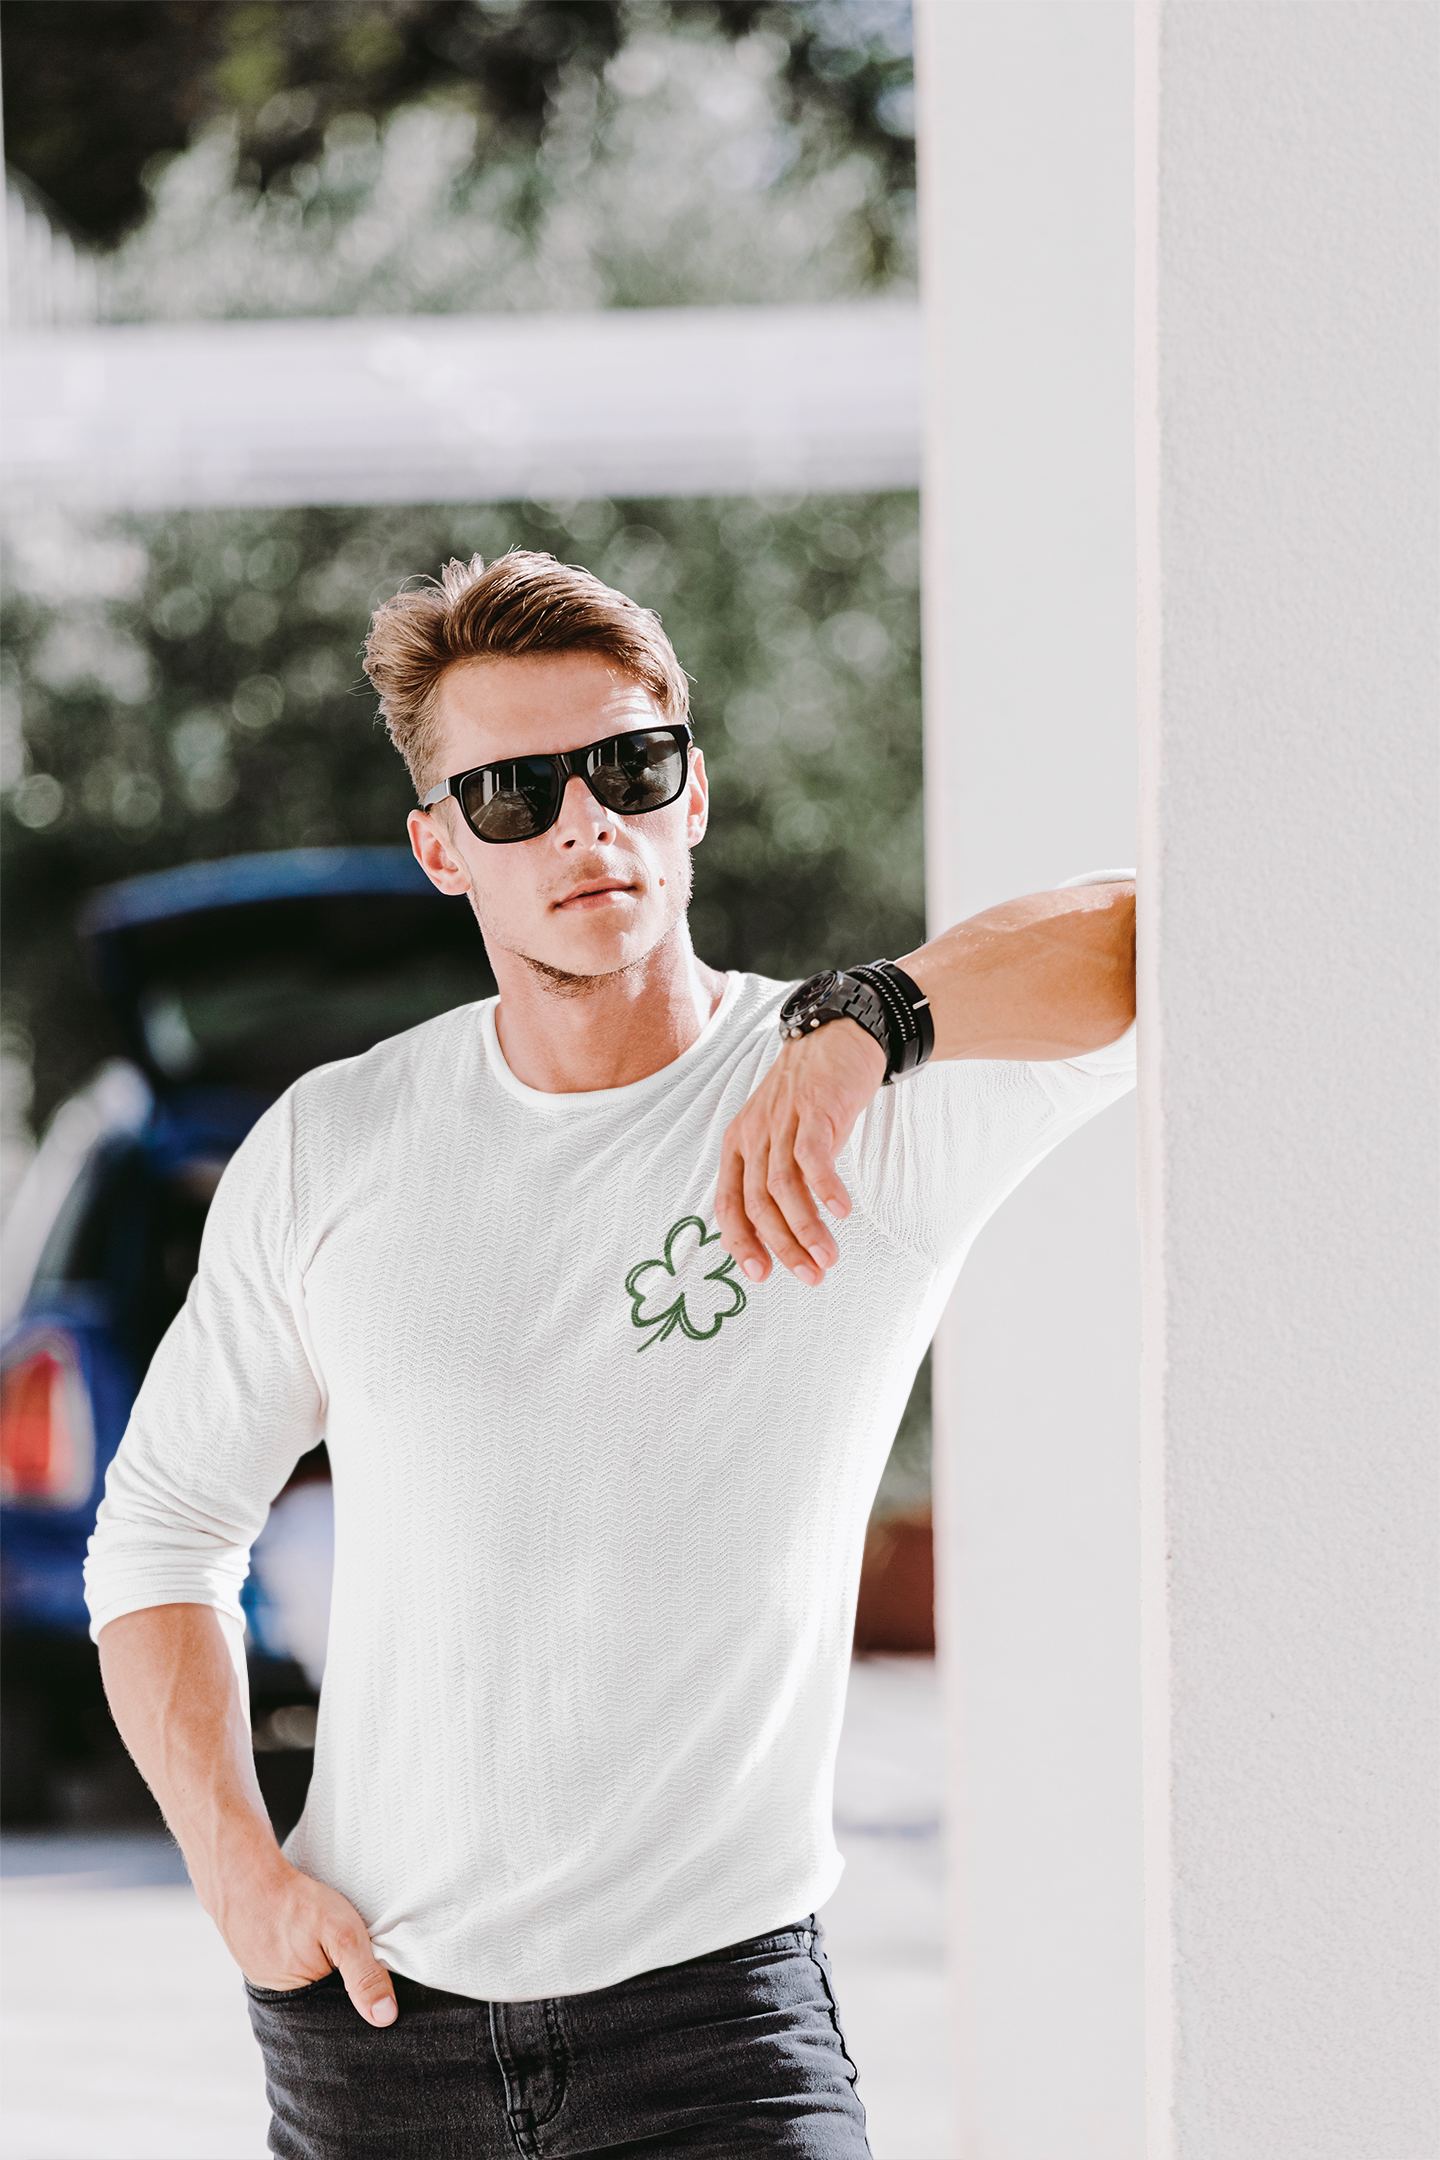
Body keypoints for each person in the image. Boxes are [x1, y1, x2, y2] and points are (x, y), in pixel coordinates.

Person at [86, 550, 1136, 2159]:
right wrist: (240, 1875)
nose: (585, 825)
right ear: (441, 848)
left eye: (628, 769)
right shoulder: (337, 1147)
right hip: (376, 2040)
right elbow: (160, 1534)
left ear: (692, 795)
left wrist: (873, 1018)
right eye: (514, 792)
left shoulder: (855, 1111)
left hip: (715, 2038)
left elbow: (1157, 943)